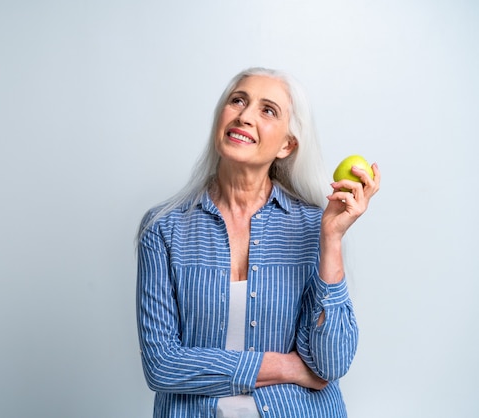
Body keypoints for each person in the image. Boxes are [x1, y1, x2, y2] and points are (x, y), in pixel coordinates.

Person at [136, 67, 380, 418]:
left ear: (287, 145)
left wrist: (331, 238)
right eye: (238, 100)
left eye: (267, 110)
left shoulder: (312, 225)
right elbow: (162, 365)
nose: (245, 116)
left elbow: (331, 363)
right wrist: (284, 367)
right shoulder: (163, 229)